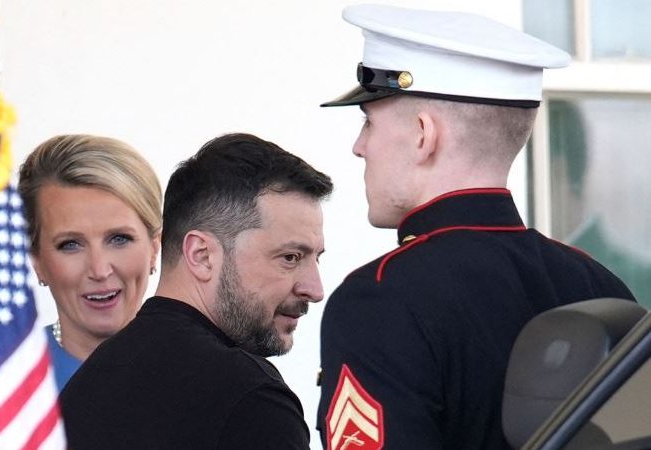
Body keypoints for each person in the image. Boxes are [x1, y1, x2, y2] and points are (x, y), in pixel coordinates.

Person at [316, 5, 636, 450]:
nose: (359, 146)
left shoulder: (379, 299)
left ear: (423, 135)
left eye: (368, 121)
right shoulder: (601, 286)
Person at [60, 133, 333, 449]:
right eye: (290, 257)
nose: (315, 289)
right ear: (202, 255)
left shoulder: (87, 386)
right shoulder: (250, 399)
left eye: (316, 258)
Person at [18, 134, 162, 390]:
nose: (99, 270)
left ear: (154, 247)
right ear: (36, 261)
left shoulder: (210, 374)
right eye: (70, 244)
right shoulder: (3, 384)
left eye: (119, 239)